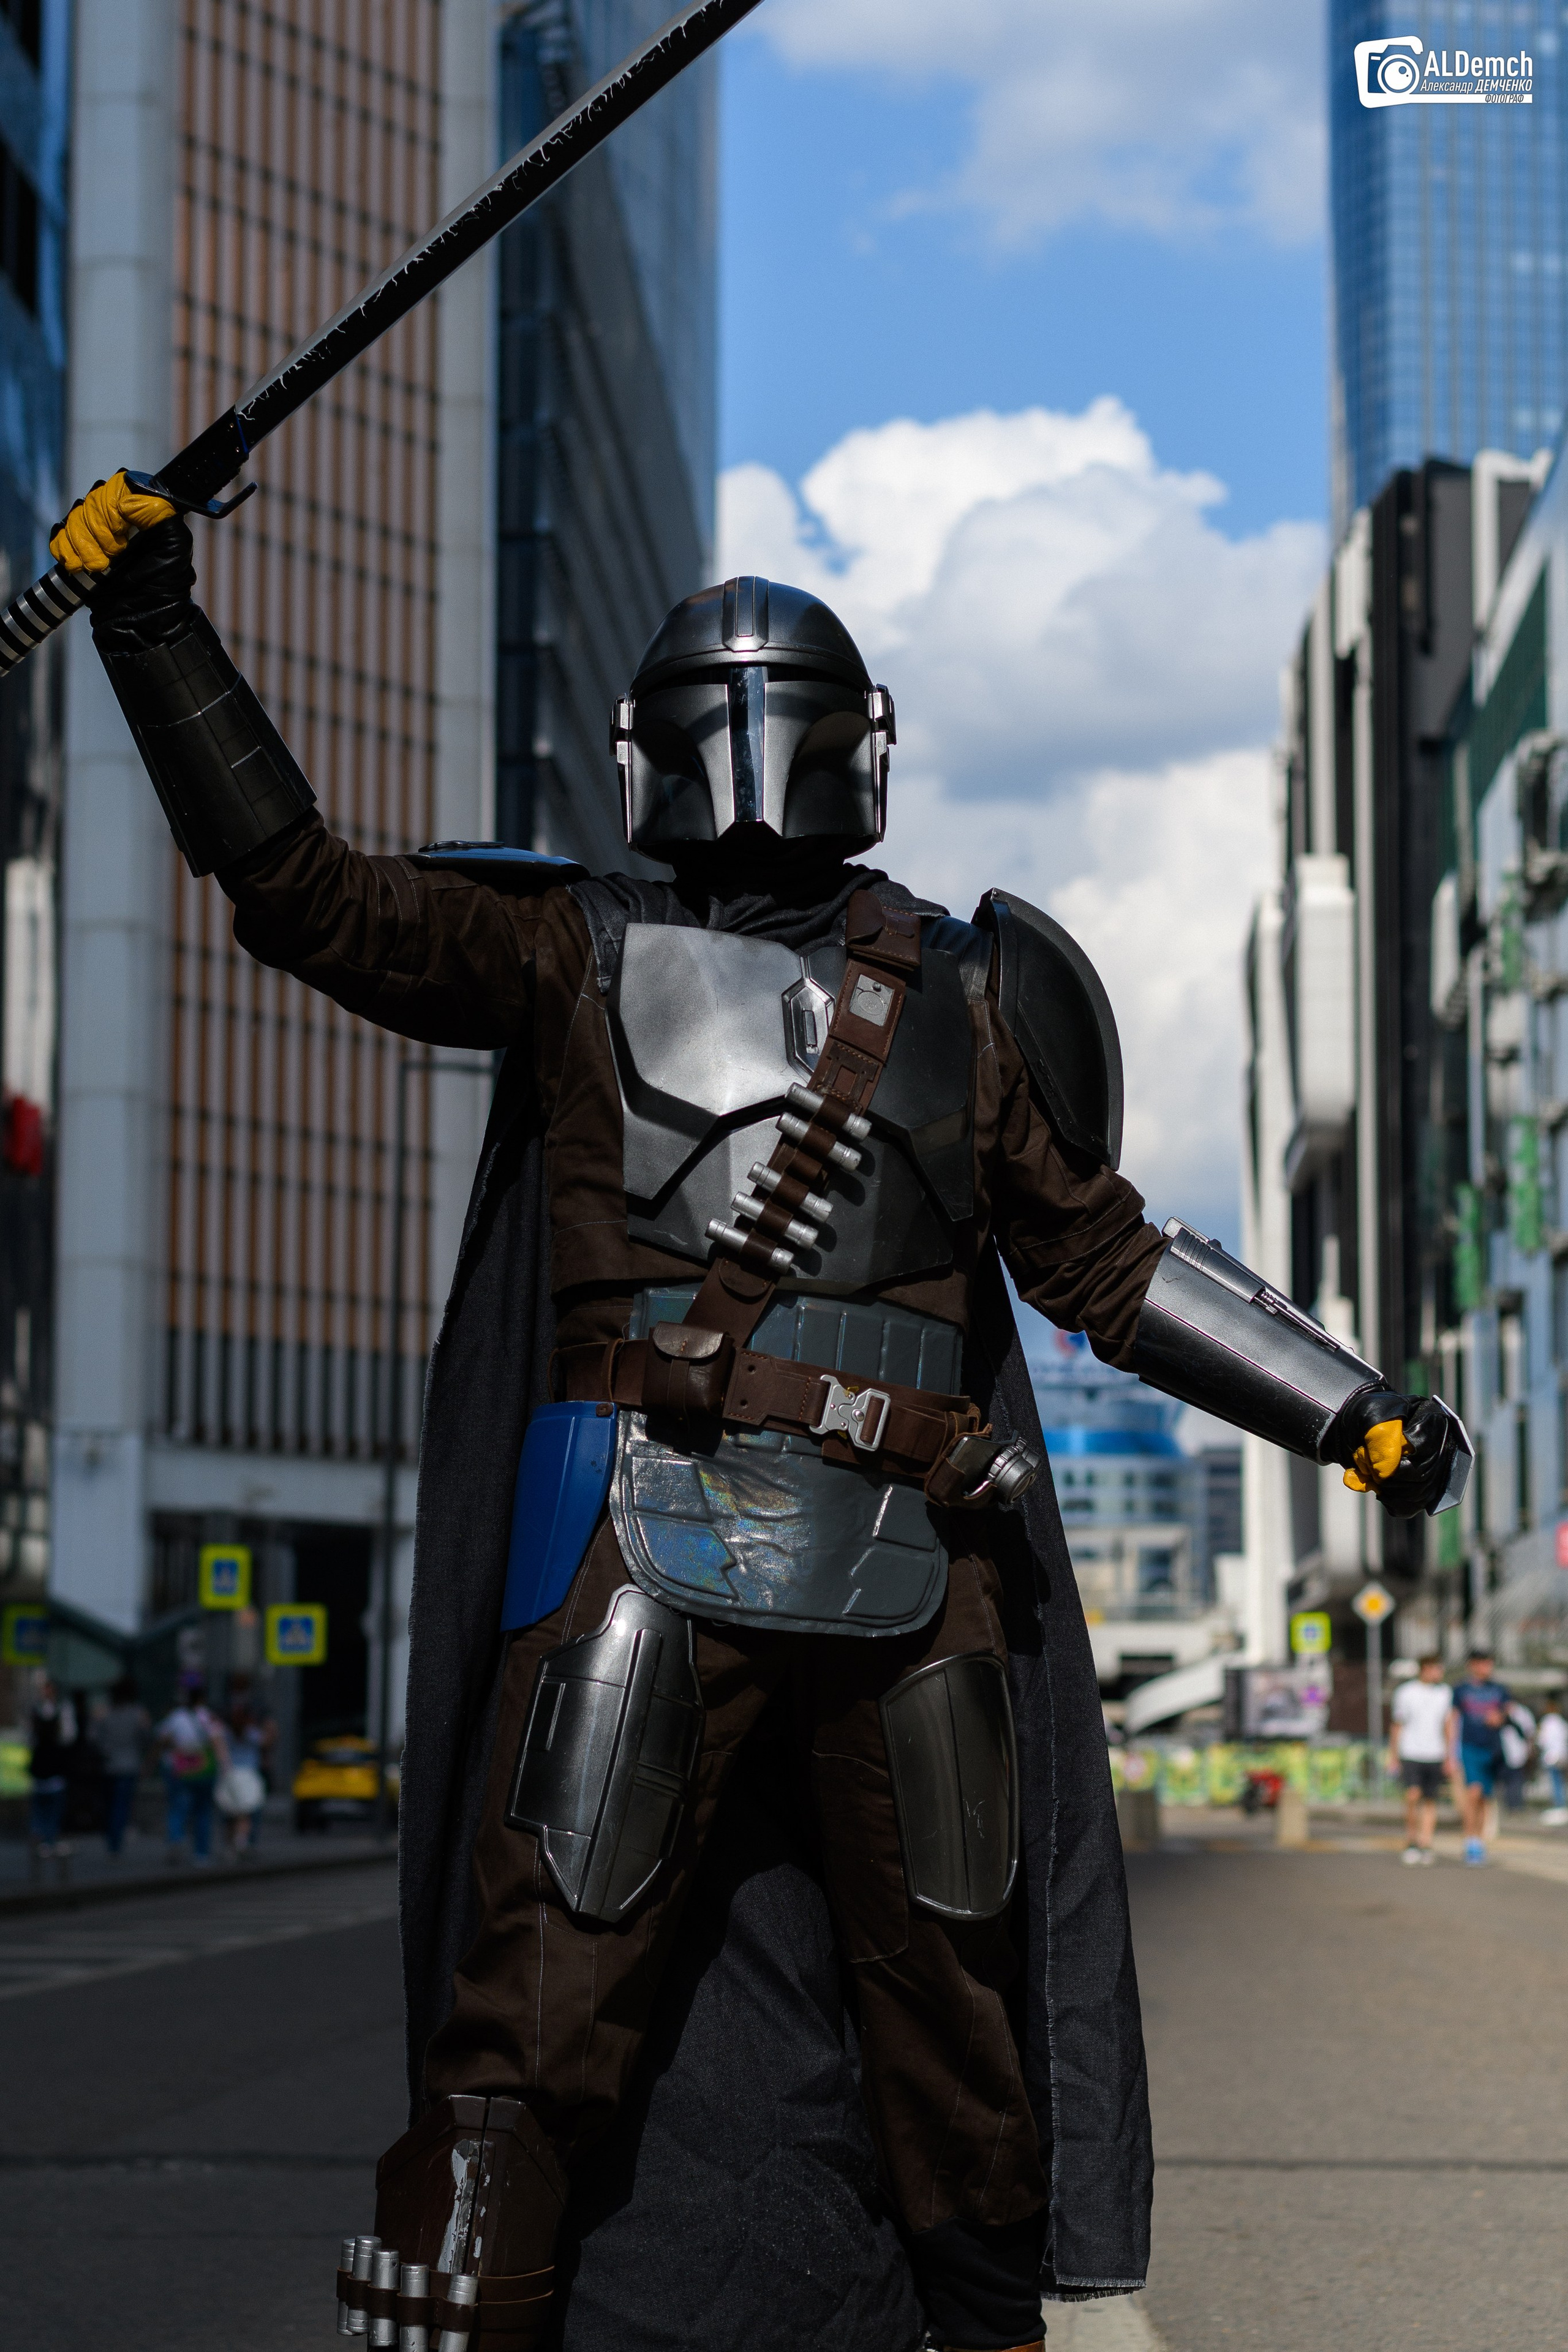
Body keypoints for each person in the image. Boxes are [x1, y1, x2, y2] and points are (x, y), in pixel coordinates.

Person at [53, 472, 1470, 2352]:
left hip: (681, 1556)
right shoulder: (910, 988)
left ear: (650, 756)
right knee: (738, 2041)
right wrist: (1352, 1410)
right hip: (835, 1566)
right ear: (855, 749)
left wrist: (150, 617)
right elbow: (1113, 1263)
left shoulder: (608, 957)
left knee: (580, 2032)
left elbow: (300, 887)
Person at [1448, 1648, 1512, 1864]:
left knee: (1485, 1797)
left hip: (1492, 1749)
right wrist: (1451, 1753)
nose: (1487, 1667)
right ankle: (1471, 1841)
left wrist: (1501, 1718)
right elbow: (1453, 1720)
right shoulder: (1461, 1690)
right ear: (1473, 1665)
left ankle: (1480, 1842)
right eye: (1483, 1663)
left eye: (1490, 1663)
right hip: (1469, 1748)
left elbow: (1509, 1713)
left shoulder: (1500, 1690)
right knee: (1473, 1793)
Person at [157, 1678, 228, 1866]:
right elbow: (218, 1742)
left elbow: (163, 1740)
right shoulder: (209, 1717)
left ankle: (176, 1837)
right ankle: (201, 1853)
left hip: (181, 1767)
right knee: (203, 1810)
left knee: (178, 1807)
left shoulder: (176, 1717)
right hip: (205, 1768)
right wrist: (226, 1767)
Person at [1387, 1655, 1451, 1863]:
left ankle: (1426, 1843)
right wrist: (1394, 1755)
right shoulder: (1406, 1692)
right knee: (1413, 1795)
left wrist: (1450, 1755)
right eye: (1436, 1668)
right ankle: (1411, 1839)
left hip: (1436, 1753)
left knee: (1431, 1800)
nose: (1439, 1673)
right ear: (1425, 1668)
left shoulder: (1444, 1693)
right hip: (1411, 1752)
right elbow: (1398, 1724)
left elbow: (1448, 1725)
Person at [216, 1681, 274, 1858]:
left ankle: (230, 1847)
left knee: (230, 1815)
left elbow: (219, 1751)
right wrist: (271, 1728)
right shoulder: (251, 1733)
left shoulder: (226, 1733)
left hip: (231, 1775)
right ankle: (243, 1842)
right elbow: (267, 1742)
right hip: (248, 1776)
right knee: (246, 1814)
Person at [26, 1672, 77, 1875]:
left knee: (49, 1804)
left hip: (49, 1764)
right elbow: (68, 1736)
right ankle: (44, 1838)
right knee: (47, 1804)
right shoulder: (49, 1711)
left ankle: (45, 1838)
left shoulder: (57, 1710)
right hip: (47, 1764)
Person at [97, 1672, 150, 1855]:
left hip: (110, 1765)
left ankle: (112, 1840)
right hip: (129, 1766)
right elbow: (145, 1739)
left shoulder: (105, 1714)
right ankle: (115, 1843)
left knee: (110, 1805)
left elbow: (97, 1740)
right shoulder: (138, 1714)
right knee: (121, 1806)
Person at [1500, 1697, 1537, 1814]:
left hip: (1519, 1753)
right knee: (1506, 1782)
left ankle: (1516, 1805)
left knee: (1517, 1781)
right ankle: (1510, 1805)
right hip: (1503, 1754)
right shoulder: (1501, 1713)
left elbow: (1530, 1733)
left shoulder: (1522, 1713)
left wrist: (1530, 1751)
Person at [1538, 1694, 1568, 1824]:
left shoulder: (1547, 1722)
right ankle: (1561, 1804)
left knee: (1555, 1782)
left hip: (1550, 1756)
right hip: (1561, 1755)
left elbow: (1542, 1741)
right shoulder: (1561, 1722)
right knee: (1560, 1782)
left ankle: (1559, 1805)